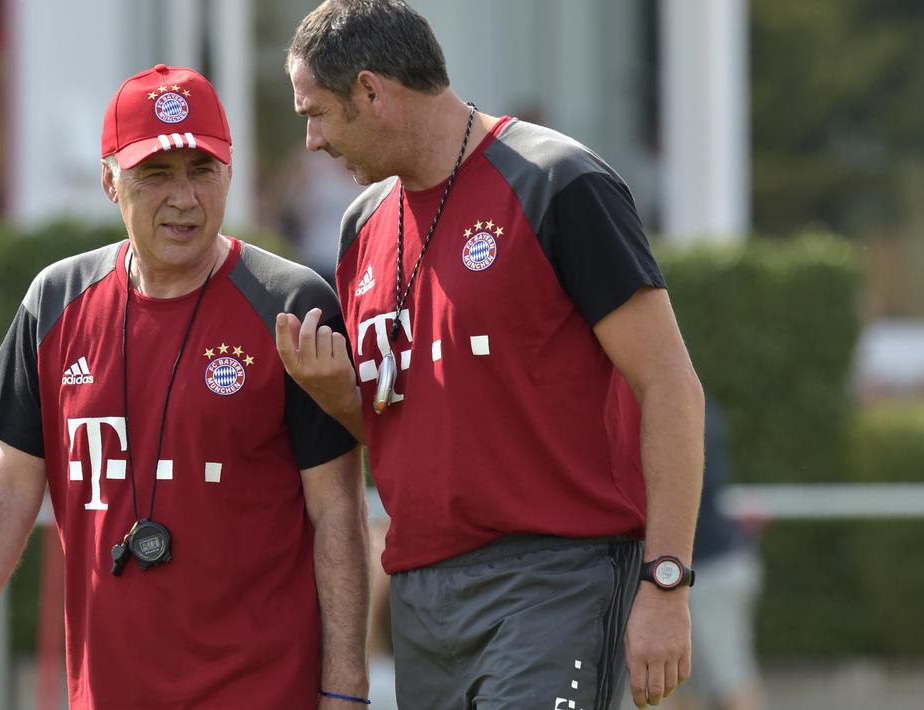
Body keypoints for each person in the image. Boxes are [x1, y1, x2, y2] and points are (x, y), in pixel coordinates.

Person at [275, 2, 706, 709]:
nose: (312, 141)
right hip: (421, 596)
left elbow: (669, 386)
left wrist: (666, 582)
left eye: (316, 113)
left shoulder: (556, 180)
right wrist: (338, 397)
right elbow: (414, 429)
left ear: (371, 91)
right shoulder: (360, 226)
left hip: (556, 581)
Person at [0, 64, 372, 710]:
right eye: (155, 174)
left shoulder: (291, 304)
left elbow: (337, 509)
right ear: (110, 181)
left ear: (230, 173)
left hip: (263, 692)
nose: (183, 198)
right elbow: (13, 478)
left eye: (201, 170)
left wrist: (345, 687)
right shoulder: (55, 301)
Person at [670, 403, 765, 710]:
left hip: (712, 569)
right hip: (698, 567)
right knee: (678, 685)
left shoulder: (688, 408)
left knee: (731, 682)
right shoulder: (699, 407)